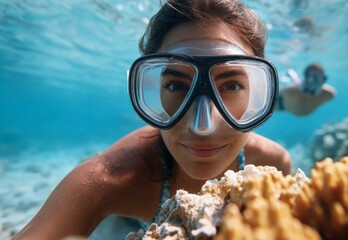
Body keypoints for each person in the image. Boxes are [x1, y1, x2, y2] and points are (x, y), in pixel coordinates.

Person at [14, 0, 291, 239]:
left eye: (231, 86)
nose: (202, 126)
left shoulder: (273, 165)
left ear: (257, 92)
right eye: (176, 85)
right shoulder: (110, 179)